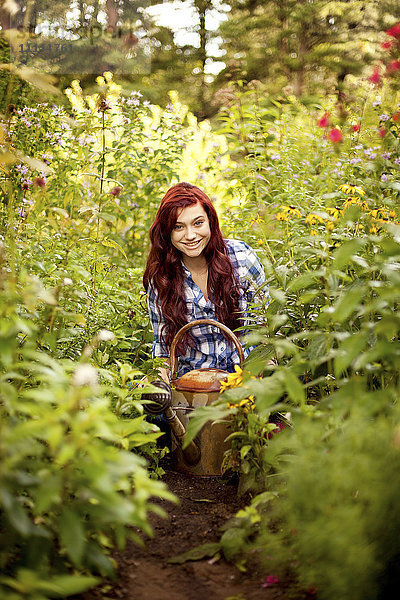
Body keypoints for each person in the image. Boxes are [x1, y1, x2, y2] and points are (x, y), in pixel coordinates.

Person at [143, 182, 267, 384]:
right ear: (167, 232)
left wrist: (259, 378)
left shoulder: (242, 258)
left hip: (246, 378)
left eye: (198, 223)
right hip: (193, 387)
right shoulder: (162, 279)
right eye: (178, 227)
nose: (190, 235)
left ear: (210, 221)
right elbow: (164, 350)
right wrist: (158, 383)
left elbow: (265, 329)